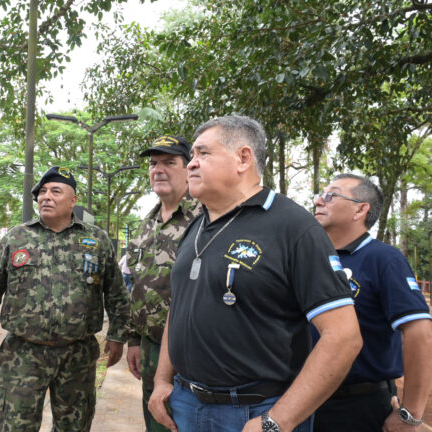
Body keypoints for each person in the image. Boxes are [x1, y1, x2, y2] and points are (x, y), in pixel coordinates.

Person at [149, 115, 362, 432]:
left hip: (255, 411)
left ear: (243, 158)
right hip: (186, 404)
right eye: (192, 156)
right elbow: (179, 306)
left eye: (203, 154)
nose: (191, 164)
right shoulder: (195, 227)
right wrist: (162, 379)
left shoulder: (293, 227)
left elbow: (344, 337)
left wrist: (277, 420)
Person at [0, 166, 130, 431]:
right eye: (42, 192)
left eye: (55, 191)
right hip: (23, 353)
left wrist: (117, 335)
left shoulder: (97, 240)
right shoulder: (17, 237)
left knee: (75, 426)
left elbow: (116, 293)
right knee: (14, 425)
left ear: (73, 200)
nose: (46, 197)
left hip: (77, 355)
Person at [313, 174, 432, 432]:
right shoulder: (310, 258)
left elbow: (421, 336)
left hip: (358, 407)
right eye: (319, 194)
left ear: (360, 209)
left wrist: (410, 414)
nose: (318, 201)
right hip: (299, 403)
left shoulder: (383, 259)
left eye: (330, 195)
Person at [125, 134, 201, 431]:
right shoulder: (147, 223)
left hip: (191, 349)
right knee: (156, 422)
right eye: (154, 163)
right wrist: (134, 339)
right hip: (150, 346)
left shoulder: (205, 216)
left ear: (188, 169)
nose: (158, 169)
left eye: (169, 162)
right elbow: (137, 285)